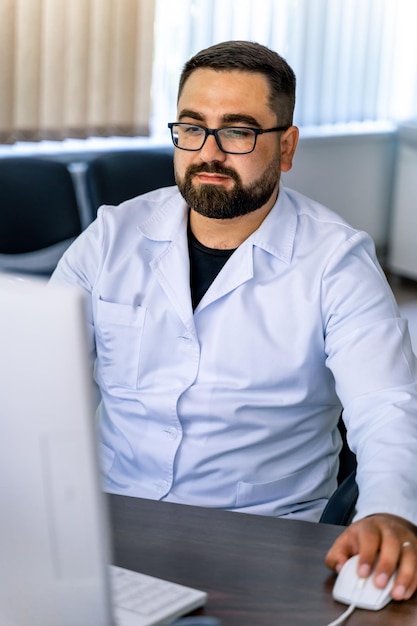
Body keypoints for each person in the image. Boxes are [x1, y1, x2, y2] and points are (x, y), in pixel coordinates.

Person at [50, 40, 417, 600]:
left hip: (262, 537)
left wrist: (391, 513)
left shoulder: (336, 261)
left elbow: (386, 405)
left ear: (286, 147)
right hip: (108, 523)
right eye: (192, 128)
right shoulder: (111, 237)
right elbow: (33, 383)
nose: (210, 153)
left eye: (239, 131)